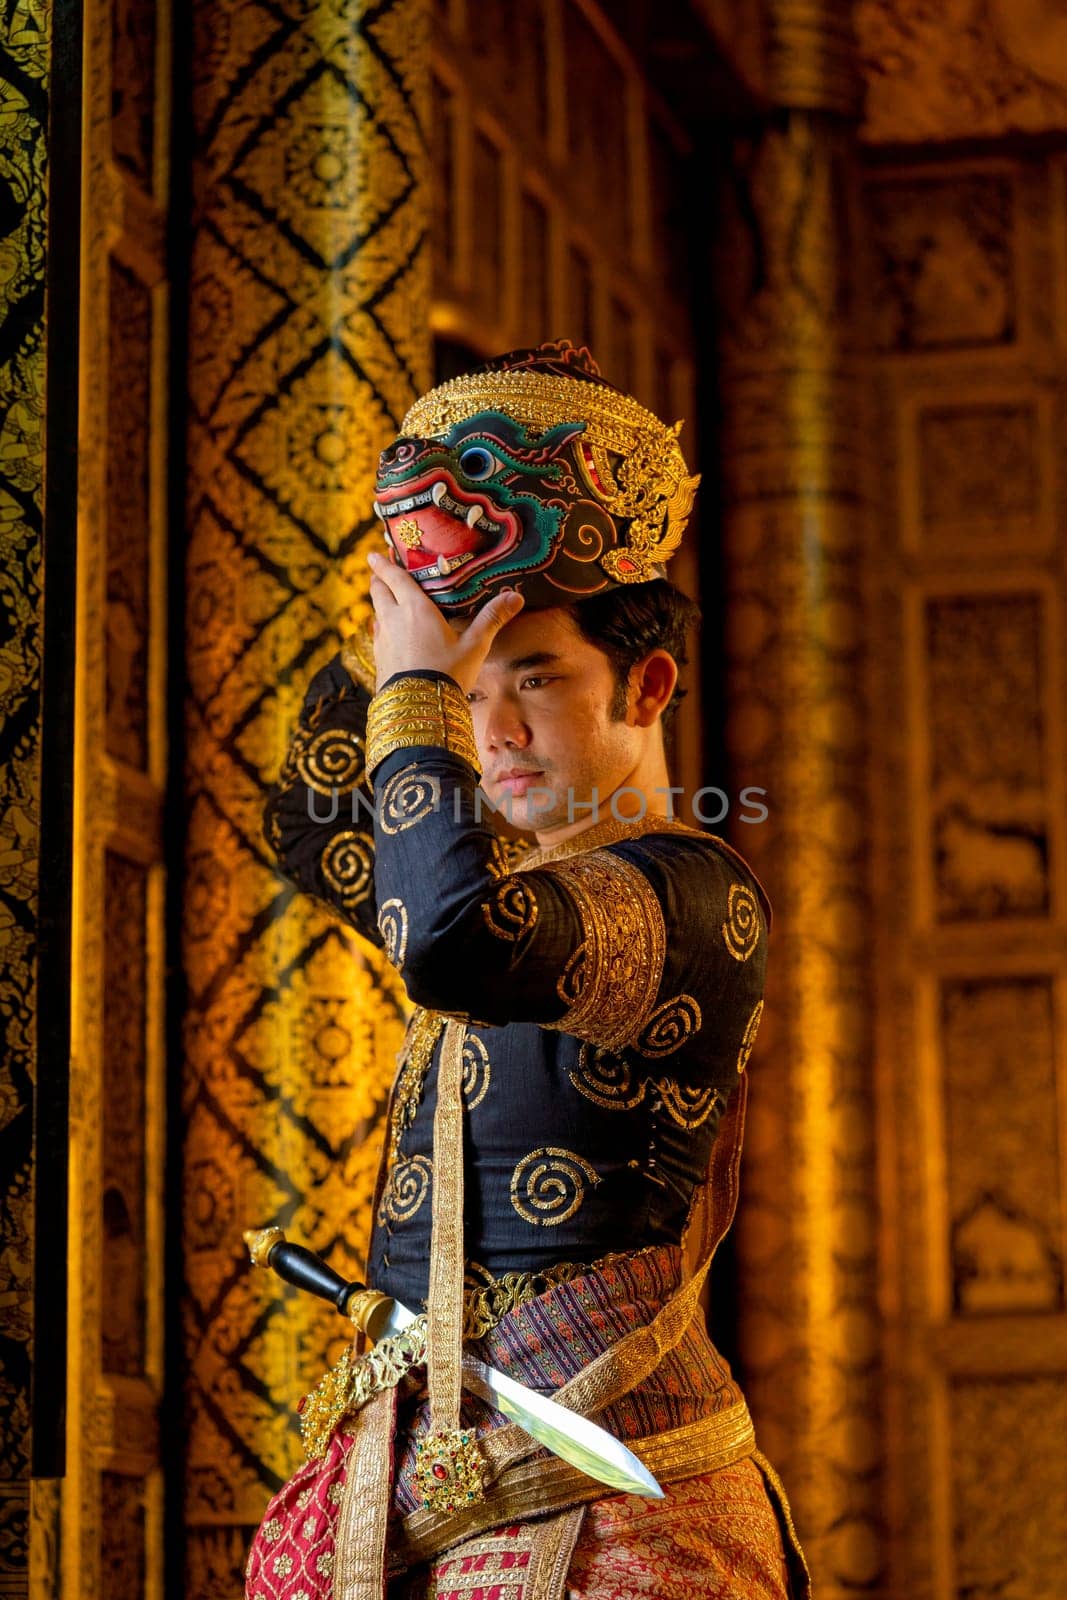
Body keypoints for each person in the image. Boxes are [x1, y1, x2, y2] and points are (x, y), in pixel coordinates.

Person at [246, 342, 809, 1600]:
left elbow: (450, 941)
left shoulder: (687, 894)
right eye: (463, 694)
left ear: (648, 683)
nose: (484, 729)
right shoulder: (497, 879)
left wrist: (417, 687)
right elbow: (307, 814)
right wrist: (422, 594)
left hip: (609, 1508)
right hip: (416, 1472)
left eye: (534, 680)